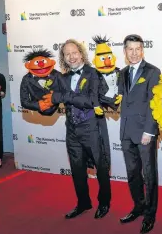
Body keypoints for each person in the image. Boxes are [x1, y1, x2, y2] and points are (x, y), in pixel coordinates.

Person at [42, 39, 111, 219]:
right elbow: (52, 103)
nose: (71, 57)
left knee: (101, 168)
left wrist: (63, 96)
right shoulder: (62, 79)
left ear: (81, 53)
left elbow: (91, 100)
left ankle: (104, 202)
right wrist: (41, 104)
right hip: (72, 130)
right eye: (67, 54)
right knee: (77, 169)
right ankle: (83, 203)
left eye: (74, 52)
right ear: (63, 58)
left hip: (92, 128)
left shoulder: (94, 73)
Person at [117, 35, 160, 234]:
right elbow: (121, 99)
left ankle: (150, 215)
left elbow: (154, 104)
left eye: (138, 49)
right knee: (133, 174)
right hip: (126, 132)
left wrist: (149, 132)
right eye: (130, 49)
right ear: (124, 51)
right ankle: (138, 206)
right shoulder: (122, 73)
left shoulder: (153, 72)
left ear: (143, 50)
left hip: (144, 133)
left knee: (149, 175)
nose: (134, 53)